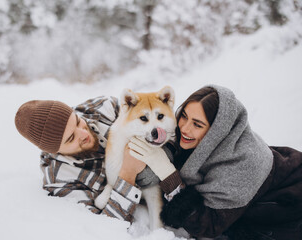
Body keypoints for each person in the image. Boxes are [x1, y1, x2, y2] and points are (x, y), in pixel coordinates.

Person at [128, 85, 302, 239]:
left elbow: (207, 225)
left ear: (217, 132)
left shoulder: (242, 167)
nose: (185, 128)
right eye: (184, 116)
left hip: (287, 211)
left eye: (197, 124)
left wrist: (166, 173)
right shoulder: (207, 139)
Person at [15, 96, 158, 223]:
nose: (84, 133)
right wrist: (128, 172)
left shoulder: (105, 108)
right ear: (55, 151)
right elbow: (105, 227)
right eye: (71, 138)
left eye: (78, 122)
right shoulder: (60, 180)